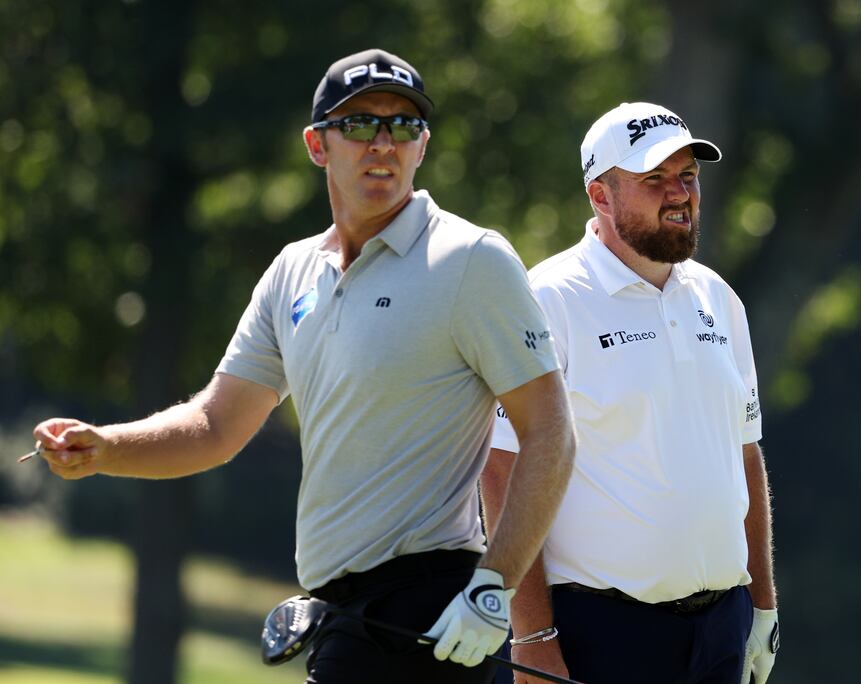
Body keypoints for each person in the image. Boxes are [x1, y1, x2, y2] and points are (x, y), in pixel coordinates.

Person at [32, 48, 575, 684]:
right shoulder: (292, 271)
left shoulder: (471, 259)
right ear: (318, 145)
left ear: (422, 146)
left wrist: (494, 589)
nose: (382, 143)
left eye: (402, 126)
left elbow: (551, 435)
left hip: (432, 604)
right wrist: (104, 448)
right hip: (340, 614)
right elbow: (216, 425)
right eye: (359, 125)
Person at [483, 102, 780, 684]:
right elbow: (499, 471)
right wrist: (533, 639)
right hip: (601, 631)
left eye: (688, 176)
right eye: (654, 179)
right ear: (600, 196)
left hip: (722, 625)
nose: (679, 194)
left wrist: (763, 605)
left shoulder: (719, 299)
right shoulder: (548, 298)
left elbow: (745, 456)